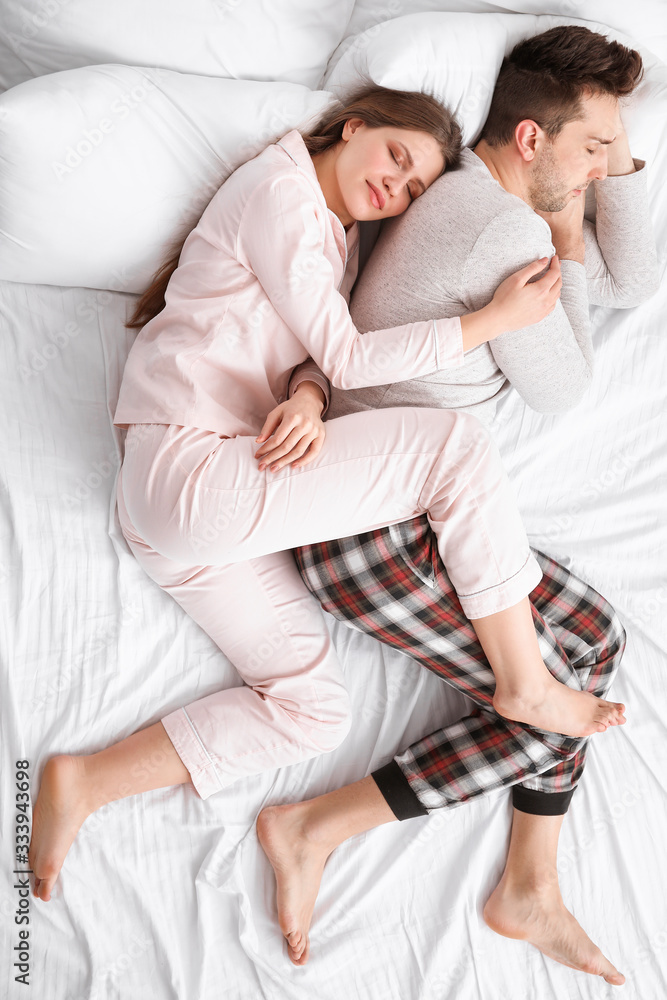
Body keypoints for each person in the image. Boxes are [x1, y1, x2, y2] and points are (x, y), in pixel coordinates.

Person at [27, 83, 615, 912]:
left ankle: (85, 781)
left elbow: (316, 357)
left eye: (414, 190)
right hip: (192, 473)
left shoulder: (334, 238)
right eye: (396, 159)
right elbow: (345, 352)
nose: (397, 188)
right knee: (453, 446)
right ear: (353, 126)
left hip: (192, 513)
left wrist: (304, 398)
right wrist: (488, 321)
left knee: (311, 710)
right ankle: (523, 681)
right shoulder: (279, 192)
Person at [258, 25, 658, 981]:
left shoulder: (480, 203)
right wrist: (563, 236)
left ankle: (528, 887)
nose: (607, 169)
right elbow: (561, 385)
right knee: (548, 704)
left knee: (592, 644)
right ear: (529, 140)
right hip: (367, 527)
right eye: (593, 148)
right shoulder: (503, 228)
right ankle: (312, 827)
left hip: (409, 511)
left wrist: (604, 169)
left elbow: (633, 282)